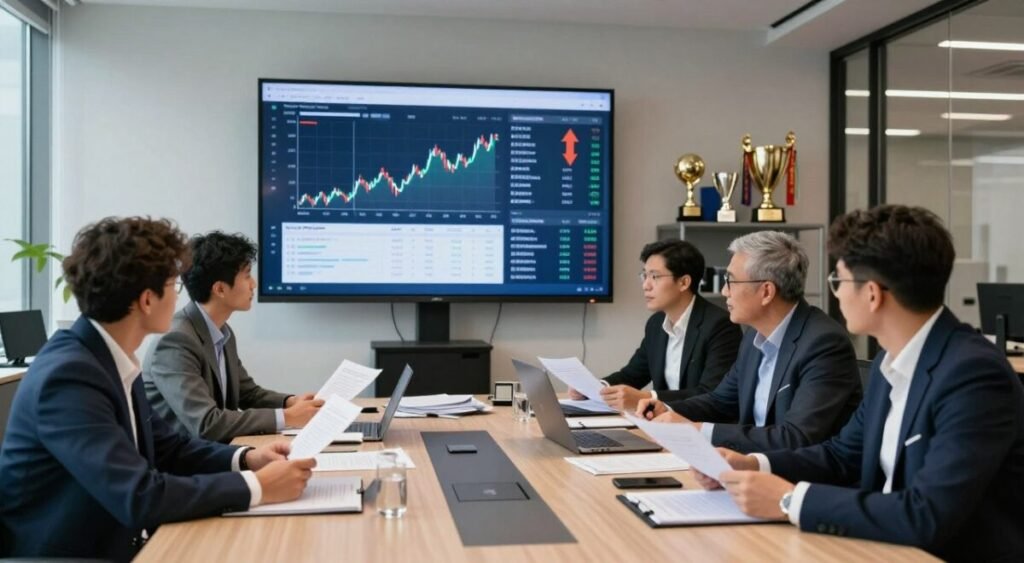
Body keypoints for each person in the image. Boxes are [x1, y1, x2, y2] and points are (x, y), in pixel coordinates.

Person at [696, 205, 1024, 562]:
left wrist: (787, 500)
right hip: (877, 546)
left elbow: (926, 514)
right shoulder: (891, 357)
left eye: (838, 281)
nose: (835, 295)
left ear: (872, 293)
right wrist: (754, 464)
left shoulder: (973, 375)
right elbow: (842, 455)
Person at [0, 218, 315, 561]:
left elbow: (169, 448)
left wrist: (246, 459)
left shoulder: (110, 358)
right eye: (173, 285)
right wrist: (258, 487)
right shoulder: (69, 376)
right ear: (148, 300)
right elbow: (138, 496)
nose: (180, 297)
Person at [636, 231, 861, 453]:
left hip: (796, 480)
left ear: (766, 292)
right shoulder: (755, 335)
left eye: (730, 281)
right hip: (748, 467)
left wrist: (698, 430)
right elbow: (720, 401)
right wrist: (666, 408)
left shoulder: (823, 344)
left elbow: (796, 437)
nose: (724, 291)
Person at [144, 231, 322, 442]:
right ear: (220, 289)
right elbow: (207, 423)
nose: (253, 284)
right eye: (247, 275)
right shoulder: (175, 341)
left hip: (214, 452)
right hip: (183, 465)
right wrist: (288, 417)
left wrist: (290, 402)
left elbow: (248, 393)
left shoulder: (222, 332)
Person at [572, 239, 741, 411]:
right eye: (644, 276)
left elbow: (711, 394)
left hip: (697, 426)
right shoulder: (656, 323)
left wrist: (648, 397)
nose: (646, 285)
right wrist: (595, 388)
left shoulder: (720, 326)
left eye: (655, 276)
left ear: (684, 282)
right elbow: (633, 375)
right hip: (661, 423)